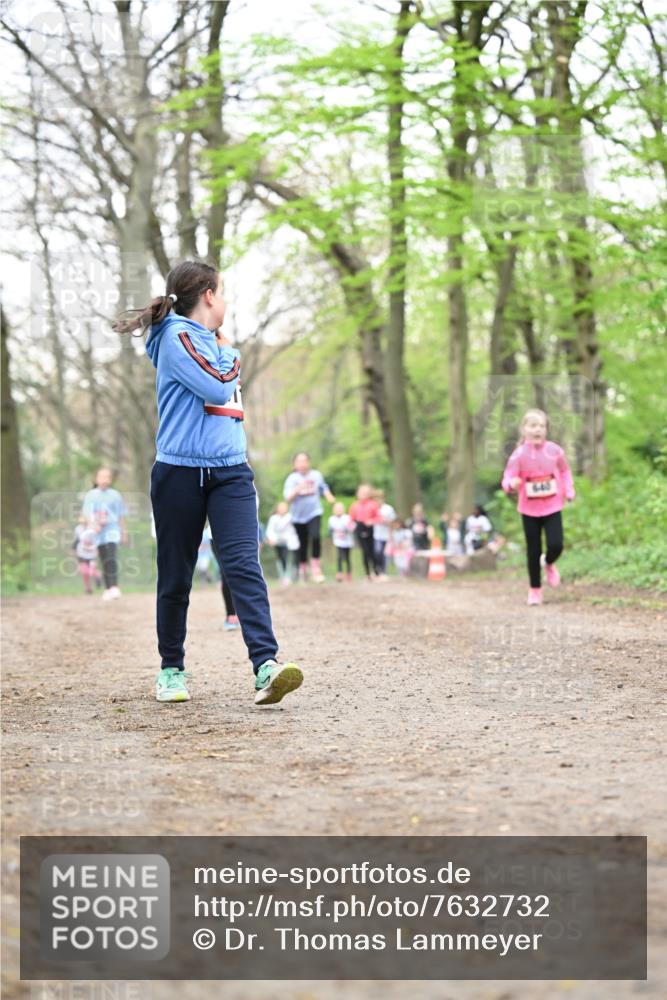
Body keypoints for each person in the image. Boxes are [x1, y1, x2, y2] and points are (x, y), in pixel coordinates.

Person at [113, 258, 302, 706]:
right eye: (224, 291)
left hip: (231, 471)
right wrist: (231, 351)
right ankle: (171, 669)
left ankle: (266, 666)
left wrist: (223, 348)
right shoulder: (178, 337)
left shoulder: (209, 342)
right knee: (176, 575)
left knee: (242, 564)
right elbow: (218, 386)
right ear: (210, 296)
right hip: (179, 471)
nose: (227, 301)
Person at [502, 408, 575, 606]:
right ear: (524, 429)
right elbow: (507, 478)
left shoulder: (554, 451)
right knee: (533, 550)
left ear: (546, 430)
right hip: (529, 509)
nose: (538, 430)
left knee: (556, 545)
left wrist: (568, 490)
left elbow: (565, 471)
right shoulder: (518, 455)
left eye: (542, 426)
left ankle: (549, 562)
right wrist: (512, 484)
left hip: (552, 505)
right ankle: (535, 590)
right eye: (533, 425)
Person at [283, 452, 335, 583]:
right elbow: (287, 498)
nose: (302, 464)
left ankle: (316, 568)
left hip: (314, 512)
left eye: (305, 461)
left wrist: (328, 496)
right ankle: (303, 569)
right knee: (303, 543)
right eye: (299, 461)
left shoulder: (316, 475)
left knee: (316, 536)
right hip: (298, 517)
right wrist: (297, 489)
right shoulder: (292, 478)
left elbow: (323, 487)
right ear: (294, 464)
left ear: (309, 462)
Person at [81, 467, 127, 601]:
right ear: (97, 479)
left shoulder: (115, 495)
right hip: (98, 531)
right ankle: (108, 588)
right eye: (101, 477)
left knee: (111, 555)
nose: (104, 480)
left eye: (107, 477)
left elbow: (121, 515)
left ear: (110, 479)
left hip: (112, 530)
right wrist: (93, 525)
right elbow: (87, 513)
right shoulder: (91, 495)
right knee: (104, 558)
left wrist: (124, 532)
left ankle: (115, 587)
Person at [349, 484, 380, 581]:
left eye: (365, 493)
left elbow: (379, 517)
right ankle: (367, 573)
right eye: (361, 492)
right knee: (364, 551)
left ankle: (376, 571)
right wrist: (351, 526)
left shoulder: (373, 504)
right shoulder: (354, 505)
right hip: (359, 527)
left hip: (370, 528)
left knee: (372, 551)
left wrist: (372, 521)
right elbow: (351, 519)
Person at [266, 501, 300, 586]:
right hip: (277, 542)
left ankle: (288, 577)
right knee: (280, 559)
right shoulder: (273, 518)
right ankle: (282, 576)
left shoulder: (290, 517)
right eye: (281, 507)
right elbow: (270, 530)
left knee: (288, 558)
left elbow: (294, 531)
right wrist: (271, 539)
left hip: (289, 543)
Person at [72, 519, 102, 594]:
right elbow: (76, 540)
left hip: (92, 554)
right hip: (81, 554)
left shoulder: (94, 528)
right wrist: (74, 550)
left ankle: (98, 575)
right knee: (84, 572)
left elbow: (98, 540)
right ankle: (88, 588)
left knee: (91, 571)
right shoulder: (78, 529)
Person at [328, 501, 355, 582]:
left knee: (347, 558)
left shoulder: (347, 518)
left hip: (347, 541)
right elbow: (330, 530)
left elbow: (351, 528)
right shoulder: (332, 519)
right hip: (338, 541)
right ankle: (339, 573)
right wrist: (336, 533)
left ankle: (349, 573)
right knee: (339, 557)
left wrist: (345, 532)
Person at [372, 489, 396, 580]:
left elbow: (394, 522)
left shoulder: (388, 509)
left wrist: (386, 522)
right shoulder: (373, 509)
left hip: (386, 535)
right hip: (375, 535)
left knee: (384, 553)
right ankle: (377, 571)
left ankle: (383, 571)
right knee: (376, 552)